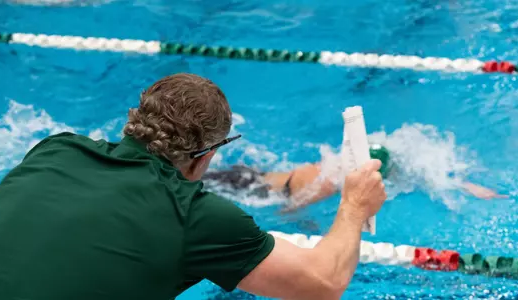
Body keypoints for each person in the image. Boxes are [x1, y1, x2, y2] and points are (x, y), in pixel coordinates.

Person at [0, 73, 386, 300]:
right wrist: (354, 206)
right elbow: (324, 282)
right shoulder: (194, 214)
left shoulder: (56, 149)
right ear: (206, 155)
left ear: (133, 118)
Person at [203, 141, 507, 212]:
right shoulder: (332, 180)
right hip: (254, 187)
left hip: (260, 176)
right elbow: (290, 208)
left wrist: (464, 185)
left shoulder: (345, 162)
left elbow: (417, 173)